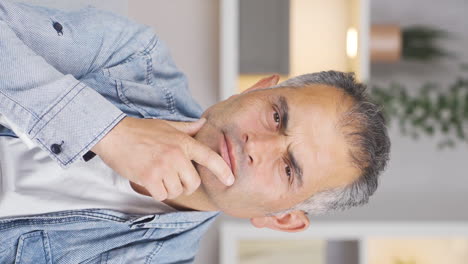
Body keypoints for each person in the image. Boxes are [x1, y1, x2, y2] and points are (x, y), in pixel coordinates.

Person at [0, 1, 391, 263]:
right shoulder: (133, 59)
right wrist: (110, 133)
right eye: (276, 117)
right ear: (257, 89)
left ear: (284, 219)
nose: (258, 145)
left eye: (289, 169)